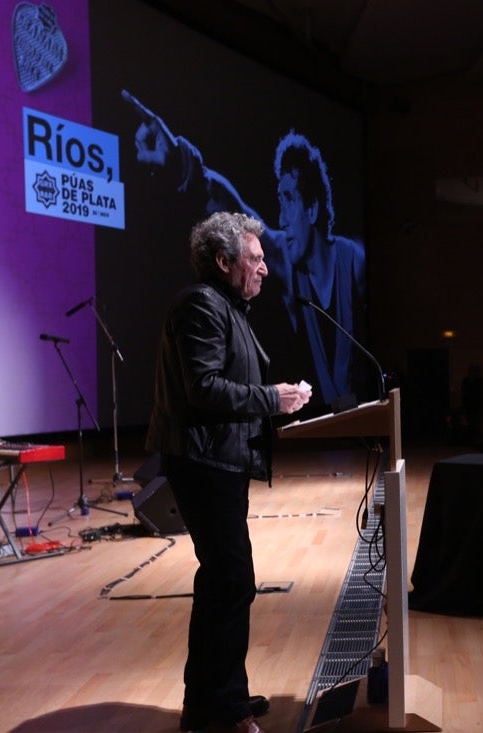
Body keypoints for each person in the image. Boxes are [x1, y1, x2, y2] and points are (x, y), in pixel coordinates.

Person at [146, 212, 312, 733]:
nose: (265, 269)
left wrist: (270, 400)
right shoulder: (201, 304)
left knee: (227, 580)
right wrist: (272, 398)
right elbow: (204, 389)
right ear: (224, 261)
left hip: (219, 461)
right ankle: (216, 709)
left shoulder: (229, 307)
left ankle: (219, 698)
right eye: (256, 259)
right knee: (230, 578)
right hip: (202, 462)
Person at [123, 91, 367, 411]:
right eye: (278, 201)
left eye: (289, 199)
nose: (280, 219)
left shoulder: (355, 263)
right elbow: (232, 206)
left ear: (313, 207)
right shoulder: (281, 259)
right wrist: (184, 168)